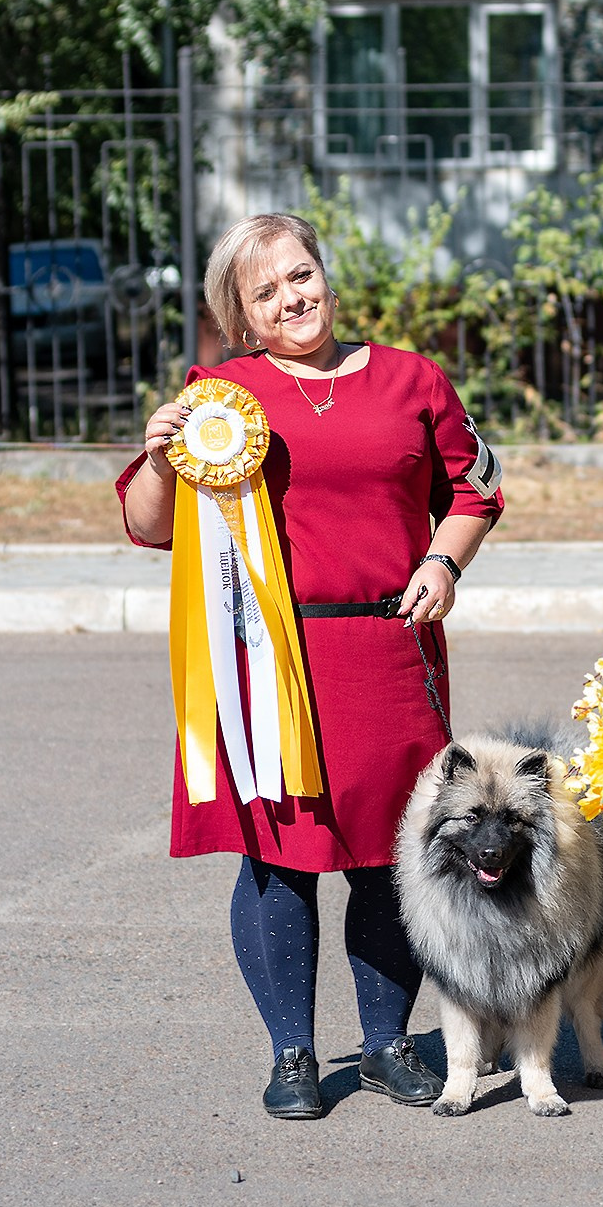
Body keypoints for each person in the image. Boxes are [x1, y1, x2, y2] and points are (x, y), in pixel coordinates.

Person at [117, 212, 503, 1120]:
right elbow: (150, 524)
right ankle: (293, 1054)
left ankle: (385, 1044)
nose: (293, 298)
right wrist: (163, 454)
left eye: (302, 275)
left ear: (325, 275)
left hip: (389, 650)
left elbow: (477, 486)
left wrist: (443, 563)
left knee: (391, 858)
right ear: (243, 319)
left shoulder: (414, 377)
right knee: (279, 860)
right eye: (267, 292)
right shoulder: (221, 394)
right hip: (267, 658)